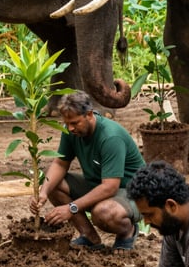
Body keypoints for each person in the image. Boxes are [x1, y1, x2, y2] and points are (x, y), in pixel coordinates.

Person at [30, 90, 144, 251]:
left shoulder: (110, 137)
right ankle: (89, 236)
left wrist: (71, 208)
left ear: (89, 114)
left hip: (133, 193)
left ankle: (127, 232)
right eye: (67, 123)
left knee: (103, 213)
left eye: (75, 123)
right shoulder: (71, 131)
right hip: (99, 186)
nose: (70, 128)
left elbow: (110, 187)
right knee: (52, 184)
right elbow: (60, 163)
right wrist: (43, 192)